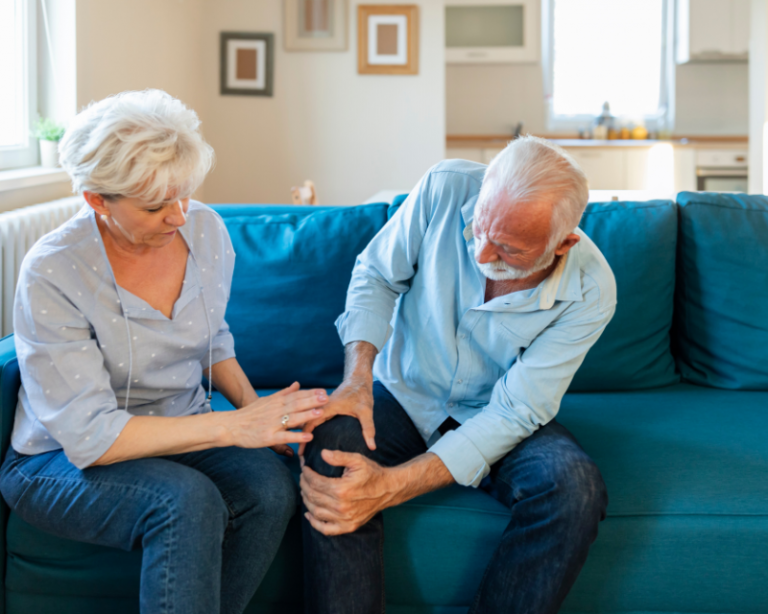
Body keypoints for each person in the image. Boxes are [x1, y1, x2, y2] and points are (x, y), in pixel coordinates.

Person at [0, 89, 328, 614]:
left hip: (178, 430)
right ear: (97, 200)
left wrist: (255, 410)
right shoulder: (54, 270)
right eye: (155, 206)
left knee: (269, 488)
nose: (178, 217)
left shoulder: (207, 230)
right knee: (184, 500)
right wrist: (232, 428)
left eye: (184, 195)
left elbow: (213, 338)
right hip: (60, 457)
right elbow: (90, 437)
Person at [299, 136, 617, 614]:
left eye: (508, 248)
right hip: (404, 391)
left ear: (563, 244)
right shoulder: (445, 187)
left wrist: (390, 486)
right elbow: (377, 276)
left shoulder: (592, 290)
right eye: (477, 230)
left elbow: (517, 411)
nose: (482, 253)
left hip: (494, 410)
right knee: (331, 440)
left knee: (574, 486)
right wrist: (358, 378)